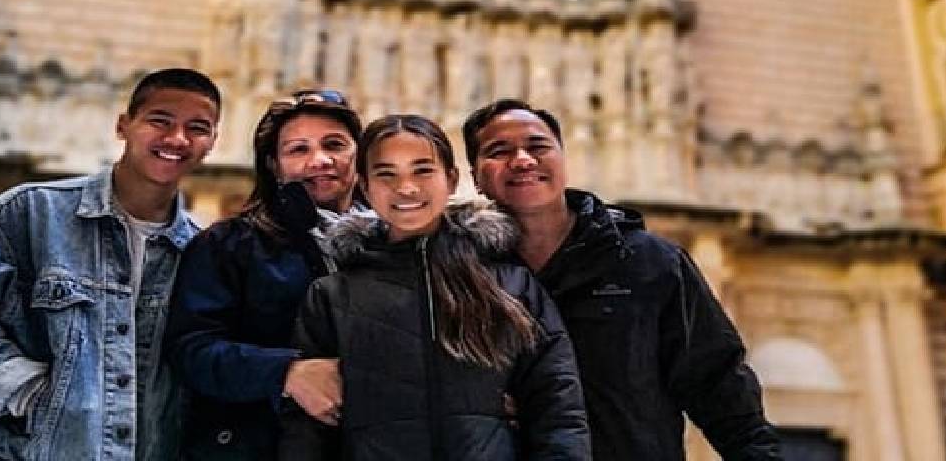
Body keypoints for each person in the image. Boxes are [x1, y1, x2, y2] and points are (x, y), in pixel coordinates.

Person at [0, 67, 221, 461]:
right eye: (160, 120)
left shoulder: (203, 250)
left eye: (197, 128)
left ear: (212, 142)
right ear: (123, 125)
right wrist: (23, 388)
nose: (177, 138)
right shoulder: (30, 211)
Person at [462, 99, 782, 461]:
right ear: (476, 176)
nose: (522, 159)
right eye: (499, 151)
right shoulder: (461, 274)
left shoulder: (651, 261)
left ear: (563, 160)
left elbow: (717, 381)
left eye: (538, 146)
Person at [279, 114, 590, 460]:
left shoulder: (510, 284)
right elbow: (307, 428)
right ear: (365, 187)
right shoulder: (333, 295)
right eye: (387, 174)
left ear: (452, 179)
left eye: (423, 170)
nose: (407, 187)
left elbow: (557, 407)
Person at [164, 89, 365, 459]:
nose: (320, 160)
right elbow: (191, 349)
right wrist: (285, 372)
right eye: (298, 150)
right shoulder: (228, 245)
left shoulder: (394, 243)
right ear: (274, 165)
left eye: (334, 145)